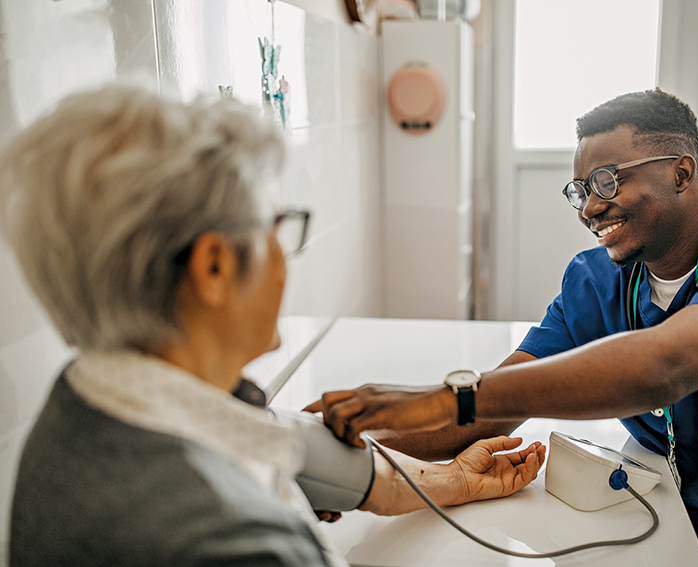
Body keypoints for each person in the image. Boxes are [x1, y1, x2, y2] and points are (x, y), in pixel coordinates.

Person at [0, 82, 546, 567]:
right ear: (213, 266)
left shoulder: (90, 396)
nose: (286, 260)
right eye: (277, 227)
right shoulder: (234, 540)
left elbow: (290, 445)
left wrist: (452, 479)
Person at [310, 89, 698, 566]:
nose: (590, 207)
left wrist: (445, 398)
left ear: (680, 173)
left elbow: (667, 365)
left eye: (607, 181)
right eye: (579, 189)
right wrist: (343, 453)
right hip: (686, 531)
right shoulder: (595, 282)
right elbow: (493, 410)